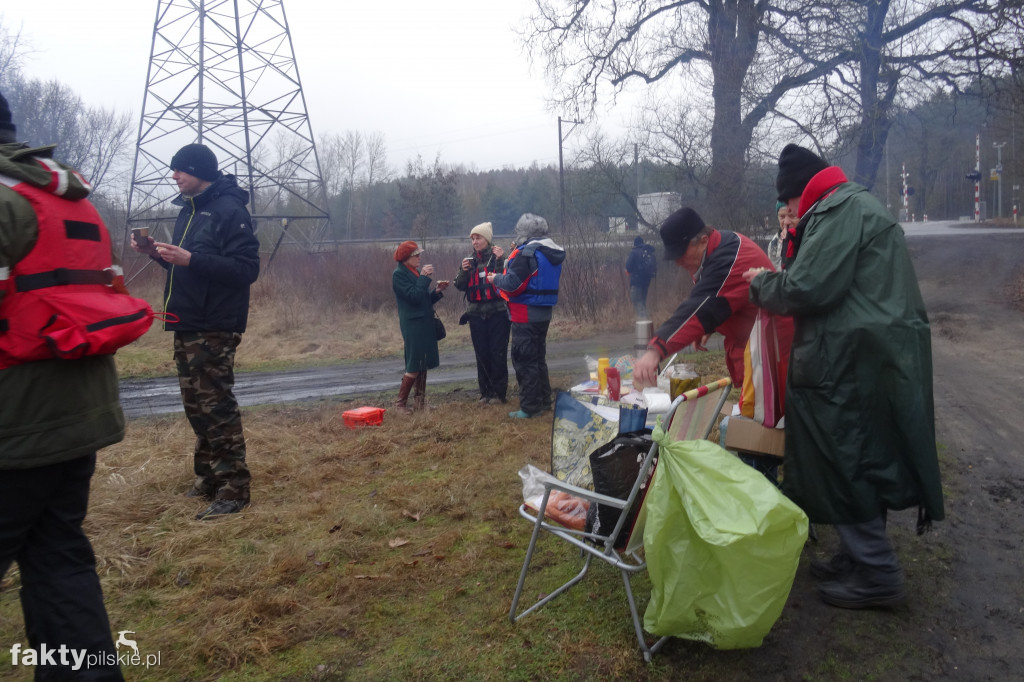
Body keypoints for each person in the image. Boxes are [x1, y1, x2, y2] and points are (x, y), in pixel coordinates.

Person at [744, 143, 944, 609]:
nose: (788, 211)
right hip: (869, 354)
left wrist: (760, 283)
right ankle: (859, 557)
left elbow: (807, 287)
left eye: (787, 202)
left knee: (847, 457)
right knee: (863, 455)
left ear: (800, 192)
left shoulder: (837, 212)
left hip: (851, 361)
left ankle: (878, 573)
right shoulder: (853, 204)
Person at [0, 91, 125, 680]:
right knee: (59, 564)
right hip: (78, 417)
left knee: (59, 561)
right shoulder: (69, 198)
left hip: (13, 425)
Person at [132, 143, 260, 520]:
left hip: (215, 325)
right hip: (186, 321)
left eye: (180, 170)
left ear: (199, 171)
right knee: (196, 406)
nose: (174, 176)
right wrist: (156, 254)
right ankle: (209, 477)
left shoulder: (230, 210)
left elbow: (246, 269)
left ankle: (234, 489)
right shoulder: (188, 211)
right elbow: (187, 268)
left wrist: (192, 259)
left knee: (216, 406)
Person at [632, 207, 776, 391]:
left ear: (703, 240)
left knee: (764, 409)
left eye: (681, 253)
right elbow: (723, 301)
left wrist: (656, 350)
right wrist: (710, 324)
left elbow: (698, 307)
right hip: (754, 349)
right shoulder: (719, 247)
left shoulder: (729, 260)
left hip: (770, 354)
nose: (678, 262)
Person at [487, 213, 565, 419]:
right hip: (543, 314)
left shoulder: (527, 253)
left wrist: (496, 279)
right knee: (538, 359)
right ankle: (544, 402)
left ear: (524, 233)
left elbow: (514, 284)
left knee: (524, 360)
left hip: (525, 314)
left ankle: (530, 408)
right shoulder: (549, 251)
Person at [453, 222, 510, 404]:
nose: (475, 242)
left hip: (498, 313)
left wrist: (501, 260)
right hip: (476, 314)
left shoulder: (499, 257)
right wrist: (463, 271)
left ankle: (499, 393)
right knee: (482, 354)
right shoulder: (469, 261)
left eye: (478, 238)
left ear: (487, 239)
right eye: (473, 239)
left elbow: (507, 280)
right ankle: (485, 393)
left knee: (497, 353)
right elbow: (459, 285)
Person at [392, 240, 450, 414]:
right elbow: (414, 297)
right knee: (414, 363)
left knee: (422, 362)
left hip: (424, 323)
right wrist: (424, 278)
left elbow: (423, 300)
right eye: (416, 255)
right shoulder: (399, 275)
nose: (419, 258)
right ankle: (400, 405)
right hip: (413, 325)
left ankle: (420, 403)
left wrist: (437, 291)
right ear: (406, 258)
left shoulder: (415, 272)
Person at [625, 235, 657, 319]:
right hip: (646, 282)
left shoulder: (634, 252)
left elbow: (628, 267)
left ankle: (644, 320)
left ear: (635, 244)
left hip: (636, 282)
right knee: (642, 302)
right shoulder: (648, 251)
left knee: (636, 301)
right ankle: (647, 321)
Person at [766, 200, 796, 270]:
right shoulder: (774, 243)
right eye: (782, 217)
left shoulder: (808, 238)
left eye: (792, 216)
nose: (786, 222)